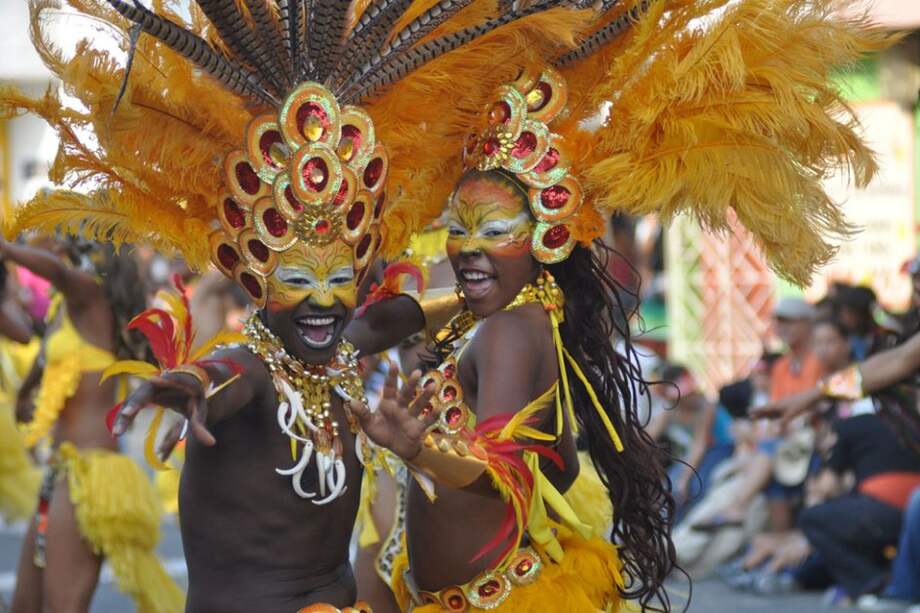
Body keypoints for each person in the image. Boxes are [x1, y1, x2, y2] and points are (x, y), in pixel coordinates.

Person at [6, 1, 612, 611]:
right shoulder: (255, 368)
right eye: (300, 277)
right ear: (259, 280)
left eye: (340, 277)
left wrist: (475, 292)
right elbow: (229, 376)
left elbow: (389, 317)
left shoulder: (341, 345)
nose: (324, 298)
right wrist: (190, 383)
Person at [343, 2, 889, 608]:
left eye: (494, 230)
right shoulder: (513, 316)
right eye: (460, 227)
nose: (468, 248)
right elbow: (562, 468)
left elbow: (513, 478)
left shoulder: (507, 333)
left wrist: (420, 450)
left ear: (546, 236)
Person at [2, 239, 183, 613]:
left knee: (62, 607)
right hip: (59, 471)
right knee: (24, 605)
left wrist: (7, 247)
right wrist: (25, 394)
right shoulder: (64, 310)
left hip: (91, 475)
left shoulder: (90, 296)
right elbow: (42, 354)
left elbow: (57, 272)